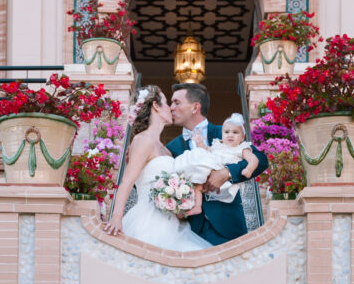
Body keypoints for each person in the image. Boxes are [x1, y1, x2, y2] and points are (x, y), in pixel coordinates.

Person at [103, 86, 212, 252]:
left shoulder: (166, 149)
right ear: (155, 105)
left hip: (172, 223)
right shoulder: (143, 140)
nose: (171, 108)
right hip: (149, 220)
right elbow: (126, 181)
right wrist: (116, 218)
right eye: (167, 103)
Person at [165, 83, 268, 245]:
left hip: (228, 224)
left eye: (176, 102)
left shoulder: (228, 132)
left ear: (195, 107)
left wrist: (227, 172)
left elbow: (261, 160)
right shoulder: (171, 147)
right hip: (189, 229)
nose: (171, 107)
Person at [178, 113, 259, 215]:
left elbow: (254, 159)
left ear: (242, 137)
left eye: (235, 132)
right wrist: (199, 143)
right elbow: (206, 150)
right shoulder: (218, 144)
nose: (230, 135)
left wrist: (249, 169)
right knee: (197, 185)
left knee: (198, 178)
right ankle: (197, 207)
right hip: (210, 172)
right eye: (226, 132)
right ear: (222, 134)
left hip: (223, 179)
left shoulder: (242, 148)